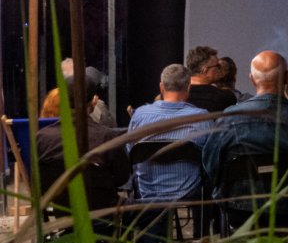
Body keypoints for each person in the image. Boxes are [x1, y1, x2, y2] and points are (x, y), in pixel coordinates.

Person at [201, 51, 288, 198]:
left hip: (239, 210)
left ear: (252, 80)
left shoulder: (228, 119)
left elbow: (211, 166)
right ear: (286, 78)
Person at [35, 78, 130, 212]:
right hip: (102, 216)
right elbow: (122, 177)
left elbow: (38, 181)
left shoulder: (42, 138)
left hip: (62, 214)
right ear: (93, 103)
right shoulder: (106, 137)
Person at [127, 63, 214, 203]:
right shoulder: (202, 118)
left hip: (146, 193)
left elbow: (130, 153)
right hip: (189, 192)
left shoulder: (139, 116)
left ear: (161, 87)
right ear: (188, 87)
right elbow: (211, 159)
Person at [185, 45, 238, 112]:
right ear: (205, 70)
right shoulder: (224, 97)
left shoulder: (178, 94)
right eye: (217, 66)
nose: (220, 69)